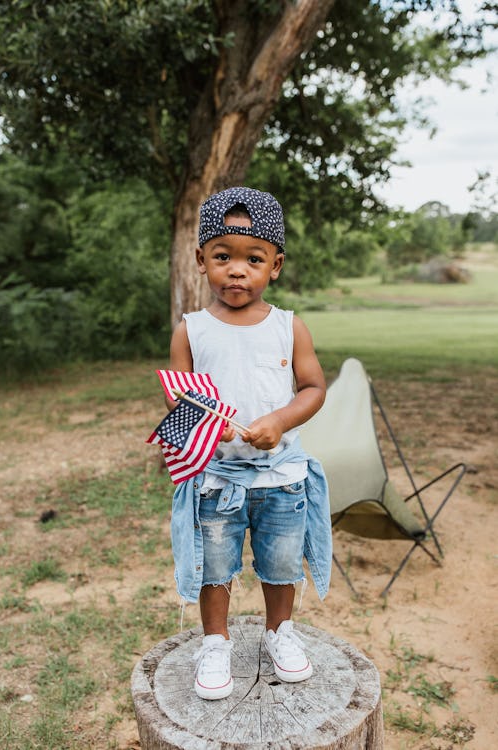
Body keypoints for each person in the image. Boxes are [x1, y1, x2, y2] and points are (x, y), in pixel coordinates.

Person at [167, 186, 332, 700]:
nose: (237, 270)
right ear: (201, 261)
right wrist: (198, 420)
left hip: (281, 477)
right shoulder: (191, 330)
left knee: (281, 562)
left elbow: (314, 388)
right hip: (217, 478)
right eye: (223, 257)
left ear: (275, 265)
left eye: (253, 259)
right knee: (214, 565)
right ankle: (214, 642)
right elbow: (180, 400)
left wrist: (281, 420)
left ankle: (279, 631)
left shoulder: (289, 328)